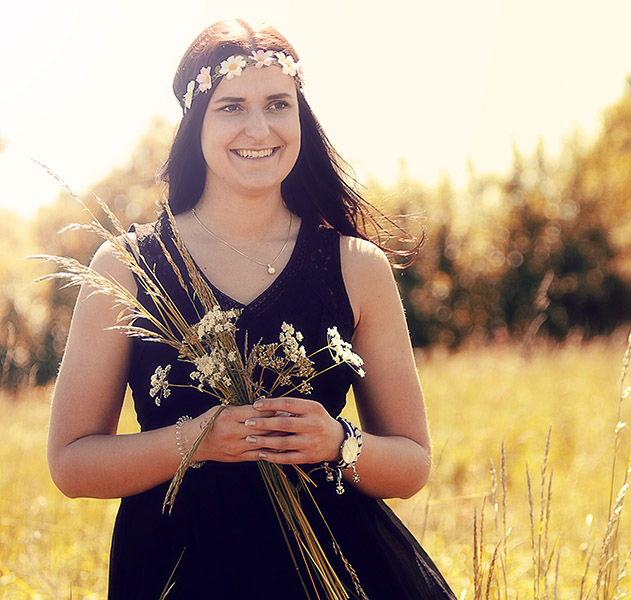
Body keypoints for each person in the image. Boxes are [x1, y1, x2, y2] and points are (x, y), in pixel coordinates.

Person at [47, 19, 457, 599]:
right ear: (196, 121)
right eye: (232, 107)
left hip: (335, 572)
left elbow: (412, 463)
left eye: (277, 104)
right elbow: (70, 464)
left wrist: (338, 441)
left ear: (300, 115)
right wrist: (196, 441)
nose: (259, 128)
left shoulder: (356, 266)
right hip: (176, 572)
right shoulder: (127, 267)